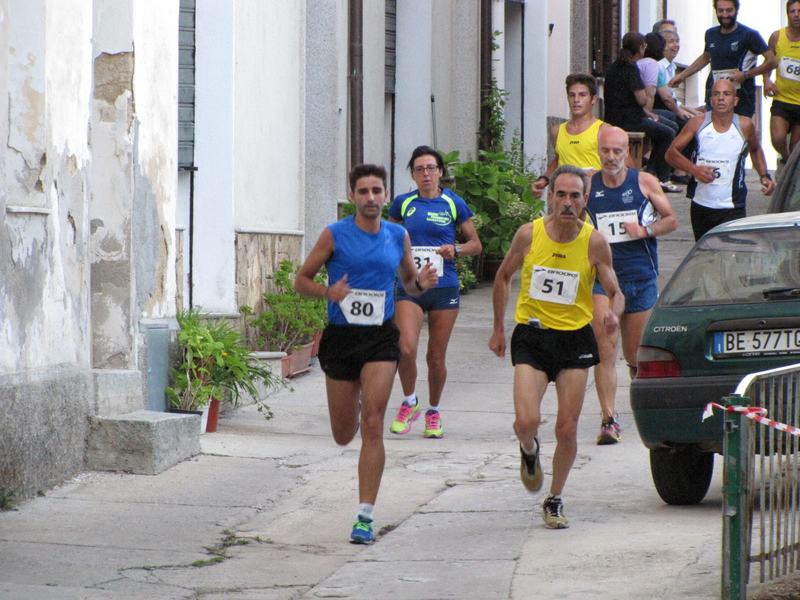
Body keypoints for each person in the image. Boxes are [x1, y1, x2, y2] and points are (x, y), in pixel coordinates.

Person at [294, 164, 439, 544]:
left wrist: (420, 284)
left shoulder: (397, 235)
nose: (371, 198)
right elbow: (301, 280)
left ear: (386, 194)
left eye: (377, 190)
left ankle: (364, 517)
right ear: (353, 197)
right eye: (363, 192)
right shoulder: (334, 234)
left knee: (374, 422)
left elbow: (408, 282)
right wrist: (329, 293)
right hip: (341, 339)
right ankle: (352, 417)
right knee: (344, 436)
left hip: (379, 338)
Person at [489, 164, 624, 529]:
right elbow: (503, 276)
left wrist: (612, 314)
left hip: (574, 340)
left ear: (584, 201)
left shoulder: (594, 241)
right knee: (526, 422)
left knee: (567, 429)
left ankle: (555, 498)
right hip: (532, 336)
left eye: (574, 196)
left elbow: (615, 290)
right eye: (560, 195)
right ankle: (529, 451)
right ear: (550, 197)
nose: (567, 202)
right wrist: (499, 328)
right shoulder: (528, 235)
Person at [586, 126, 678, 444]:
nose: (611, 157)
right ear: (597, 150)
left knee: (636, 357)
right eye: (605, 151)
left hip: (640, 278)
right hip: (603, 282)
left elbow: (671, 219)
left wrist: (644, 230)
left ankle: (641, 407)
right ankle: (608, 419)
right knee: (604, 347)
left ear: (628, 152)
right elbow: (563, 213)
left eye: (617, 151)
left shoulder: (643, 182)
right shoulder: (588, 184)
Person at [387, 146, 482, 438]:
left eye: (430, 168)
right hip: (411, 286)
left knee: (436, 357)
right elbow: (388, 240)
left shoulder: (454, 203)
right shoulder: (403, 204)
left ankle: (434, 411)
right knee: (405, 349)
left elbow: (476, 244)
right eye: (419, 169)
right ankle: (409, 402)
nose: (425, 174)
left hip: (444, 287)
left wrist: (457, 249)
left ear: (440, 172)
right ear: (413, 175)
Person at [665, 79, 775, 241]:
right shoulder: (698, 123)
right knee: (705, 256)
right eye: (716, 94)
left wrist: (764, 175)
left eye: (726, 94)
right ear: (711, 101)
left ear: (735, 100)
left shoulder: (744, 125)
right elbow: (670, 153)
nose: (721, 98)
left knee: (730, 254)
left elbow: (755, 149)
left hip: (733, 206)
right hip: (701, 204)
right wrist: (694, 170)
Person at [667, 0, 776, 119]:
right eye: (720, 11)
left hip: (742, 98)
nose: (725, 15)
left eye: (729, 10)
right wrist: (682, 76)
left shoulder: (749, 35)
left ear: (736, 10)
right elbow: (705, 58)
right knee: (714, 133)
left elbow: (772, 61)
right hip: (715, 95)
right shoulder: (711, 34)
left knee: (739, 134)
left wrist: (746, 75)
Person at [604, 32, 679, 194]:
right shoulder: (631, 68)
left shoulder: (613, 67)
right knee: (669, 132)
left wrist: (646, 113)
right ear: (640, 48)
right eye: (644, 46)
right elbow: (641, 99)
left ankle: (653, 171)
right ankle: (661, 175)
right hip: (630, 120)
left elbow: (625, 99)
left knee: (668, 121)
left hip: (614, 116)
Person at [531, 74, 615, 199]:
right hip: (566, 198)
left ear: (593, 99)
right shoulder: (557, 131)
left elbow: (625, 166)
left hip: (596, 196)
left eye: (582, 95)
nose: (576, 99)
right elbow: (560, 157)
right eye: (572, 95)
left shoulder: (604, 130)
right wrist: (544, 180)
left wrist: (597, 175)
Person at [763, 0, 800, 166]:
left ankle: (789, 175)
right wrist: (766, 79)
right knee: (777, 139)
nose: (796, 15)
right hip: (782, 98)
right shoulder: (777, 36)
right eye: (792, 11)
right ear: (788, 14)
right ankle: (785, 160)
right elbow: (768, 61)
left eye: (799, 11)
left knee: (795, 147)